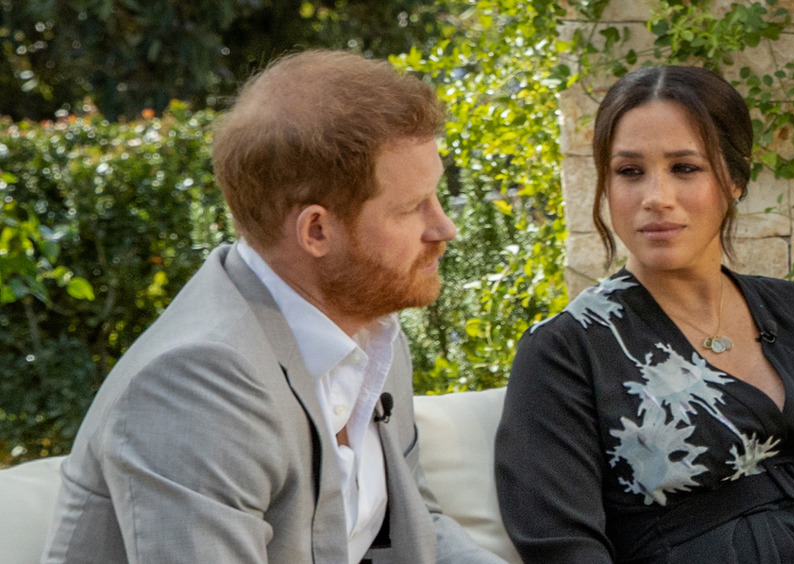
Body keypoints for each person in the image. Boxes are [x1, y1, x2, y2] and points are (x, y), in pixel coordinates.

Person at [42, 50, 504, 564]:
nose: (444, 228)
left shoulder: (372, 334)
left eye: (436, 197)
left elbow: (419, 523)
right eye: (410, 207)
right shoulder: (197, 383)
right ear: (316, 230)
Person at [494, 65, 794, 564]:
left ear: (735, 179)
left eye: (685, 168)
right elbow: (564, 550)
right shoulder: (566, 351)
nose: (655, 198)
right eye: (629, 172)